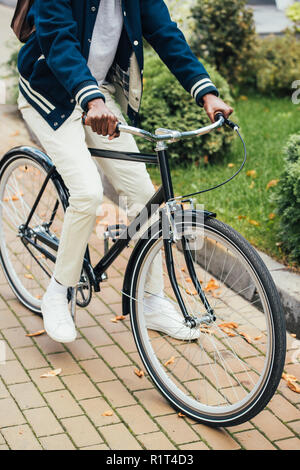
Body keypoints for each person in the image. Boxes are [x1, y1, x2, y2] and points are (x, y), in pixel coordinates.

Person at [17, 0, 233, 343]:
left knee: (146, 199)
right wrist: (92, 99)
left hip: (97, 97)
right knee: (87, 192)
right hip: (51, 93)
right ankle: (59, 291)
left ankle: (151, 301)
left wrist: (206, 93)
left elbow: (165, 34)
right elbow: (57, 38)